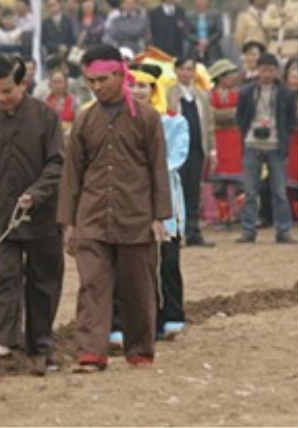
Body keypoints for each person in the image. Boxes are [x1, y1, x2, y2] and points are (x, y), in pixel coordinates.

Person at [57, 45, 172, 373]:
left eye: (102, 79)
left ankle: (139, 350)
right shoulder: (84, 120)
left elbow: (157, 169)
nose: (95, 86)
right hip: (91, 218)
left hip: (136, 218)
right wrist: (69, 223)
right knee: (92, 286)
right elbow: (72, 175)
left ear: (121, 76)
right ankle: (91, 353)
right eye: (90, 80)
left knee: (138, 288)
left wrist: (158, 217)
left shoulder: (147, 118)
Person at [0, 54, 64, 375]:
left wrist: (36, 193)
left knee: (43, 279)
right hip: (2, 215)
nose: (1, 98)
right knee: (6, 274)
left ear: (24, 83)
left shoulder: (46, 117)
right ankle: (0, 341)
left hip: (43, 214)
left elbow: (57, 163)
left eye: (8, 90)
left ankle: (41, 345)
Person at [110, 62, 189, 348]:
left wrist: (144, 172)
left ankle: (172, 314)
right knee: (133, 262)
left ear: (154, 88)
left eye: (143, 85)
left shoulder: (174, 121)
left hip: (164, 196)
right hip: (129, 199)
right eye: (133, 85)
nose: (138, 91)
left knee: (167, 259)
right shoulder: (118, 119)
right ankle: (135, 320)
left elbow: (176, 157)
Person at [236, 53, 298, 244]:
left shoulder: (286, 93)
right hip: (252, 144)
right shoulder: (246, 92)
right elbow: (240, 117)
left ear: (277, 71)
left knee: (279, 191)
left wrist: (282, 135)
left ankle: (283, 230)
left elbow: (291, 120)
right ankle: (248, 230)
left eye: (271, 70)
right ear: (257, 70)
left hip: (276, 146)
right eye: (263, 70)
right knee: (250, 191)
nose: (267, 74)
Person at [167, 57, 216, 247]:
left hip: (197, 149)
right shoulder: (169, 94)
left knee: (193, 192)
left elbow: (209, 124)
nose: (186, 73)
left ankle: (194, 232)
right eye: (183, 69)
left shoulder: (201, 95)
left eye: (190, 69)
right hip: (176, 152)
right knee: (176, 193)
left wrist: (211, 149)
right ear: (176, 71)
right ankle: (176, 233)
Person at [207, 59, 243, 231]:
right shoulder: (209, 95)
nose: (234, 77)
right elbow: (210, 116)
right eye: (230, 75)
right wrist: (230, 114)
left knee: (241, 184)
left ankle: (244, 216)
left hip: (236, 140)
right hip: (217, 140)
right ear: (220, 77)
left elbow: (242, 114)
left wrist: (222, 115)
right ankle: (224, 218)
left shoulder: (240, 94)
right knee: (219, 185)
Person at [284, 57, 298, 224]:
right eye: (292, 76)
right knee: (294, 179)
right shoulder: (284, 96)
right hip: (290, 140)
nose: (294, 80)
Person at [184, 0, 223, 66]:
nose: (201, 2)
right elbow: (187, 33)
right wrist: (199, 41)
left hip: (212, 48)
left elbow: (219, 32)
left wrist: (207, 41)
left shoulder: (215, 15)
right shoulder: (189, 16)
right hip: (195, 48)